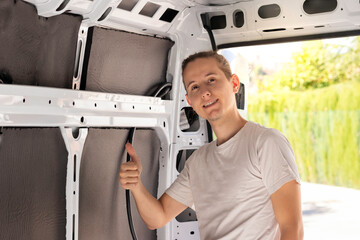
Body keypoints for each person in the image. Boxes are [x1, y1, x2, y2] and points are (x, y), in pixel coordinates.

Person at [120, 51, 304, 240]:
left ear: (234, 83)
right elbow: (158, 218)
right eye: (194, 87)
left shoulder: (266, 142)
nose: (204, 92)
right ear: (190, 101)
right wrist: (136, 186)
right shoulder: (198, 161)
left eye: (211, 80)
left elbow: (292, 228)